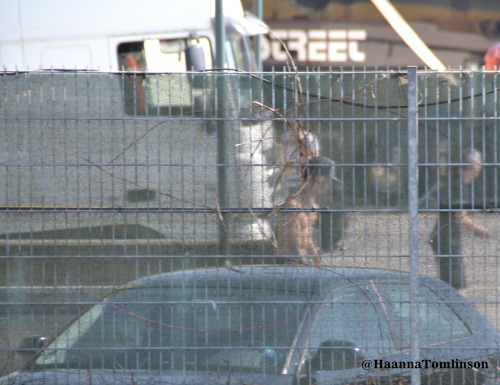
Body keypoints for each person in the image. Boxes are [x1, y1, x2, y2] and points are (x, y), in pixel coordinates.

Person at [429, 148, 490, 290]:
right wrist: (483, 231)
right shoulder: (457, 185)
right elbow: (460, 218)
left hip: (446, 238)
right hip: (447, 240)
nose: (481, 165)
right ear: (473, 165)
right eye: (479, 162)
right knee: (456, 286)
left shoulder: (459, 182)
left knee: (453, 284)